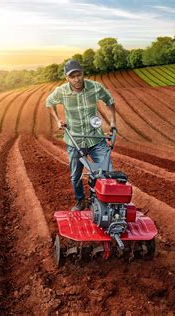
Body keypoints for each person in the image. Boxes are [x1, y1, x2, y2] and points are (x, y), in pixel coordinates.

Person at [45, 59, 117, 211]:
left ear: (83, 74)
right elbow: (49, 102)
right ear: (67, 78)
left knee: (108, 172)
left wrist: (112, 122)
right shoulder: (62, 91)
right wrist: (58, 120)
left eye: (79, 75)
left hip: (96, 139)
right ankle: (80, 202)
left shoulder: (95, 87)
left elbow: (109, 101)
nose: (77, 79)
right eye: (72, 76)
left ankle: (105, 203)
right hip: (75, 140)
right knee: (75, 176)